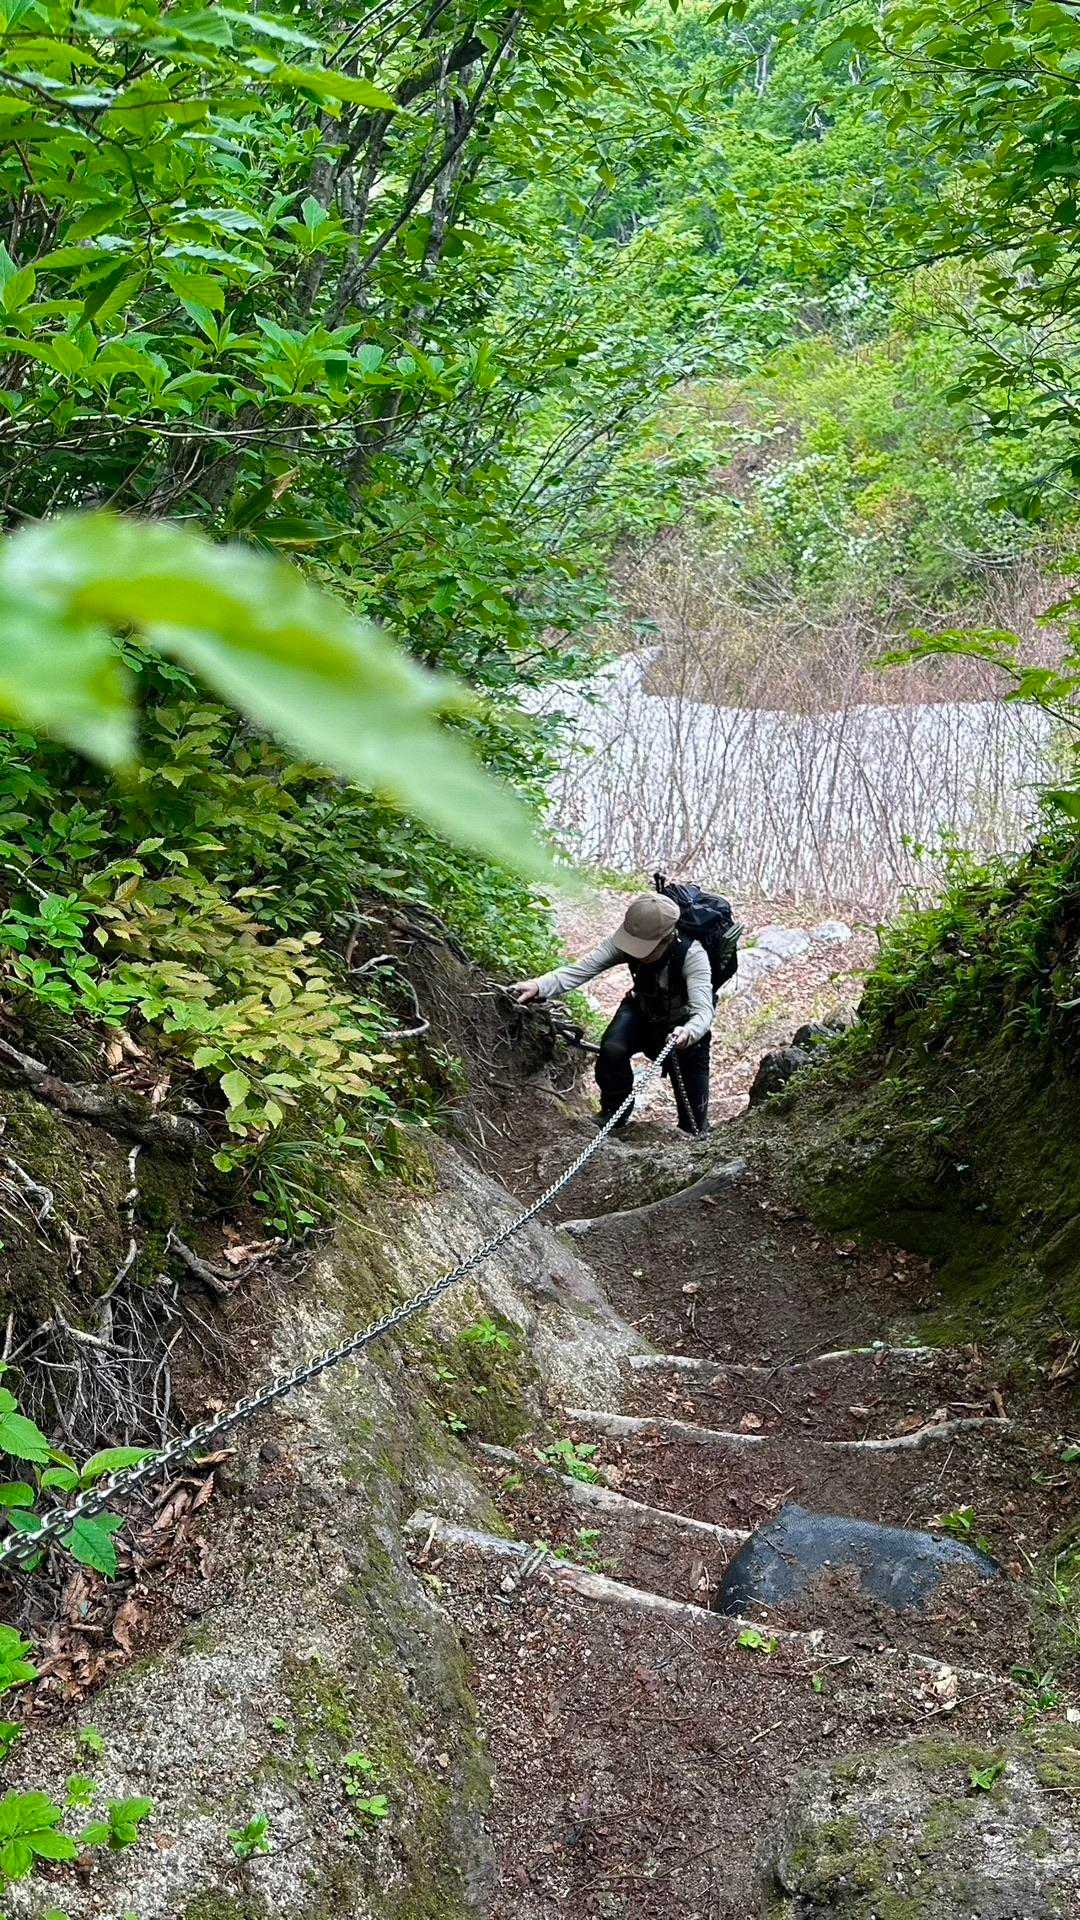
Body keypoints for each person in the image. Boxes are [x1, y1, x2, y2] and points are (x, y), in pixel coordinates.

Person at [511, 893, 714, 1132]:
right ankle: (613, 1114)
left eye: (644, 949)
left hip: (684, 1028)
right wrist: (538, 985)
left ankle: (692, 1130)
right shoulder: (627, 941)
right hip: (641, 1011)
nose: (636, 953)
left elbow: (703, 1011)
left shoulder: (693, 955)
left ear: (666, 939)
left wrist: (688, 1033)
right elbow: (581, 969)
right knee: (612, 1048)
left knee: (694, 1124)